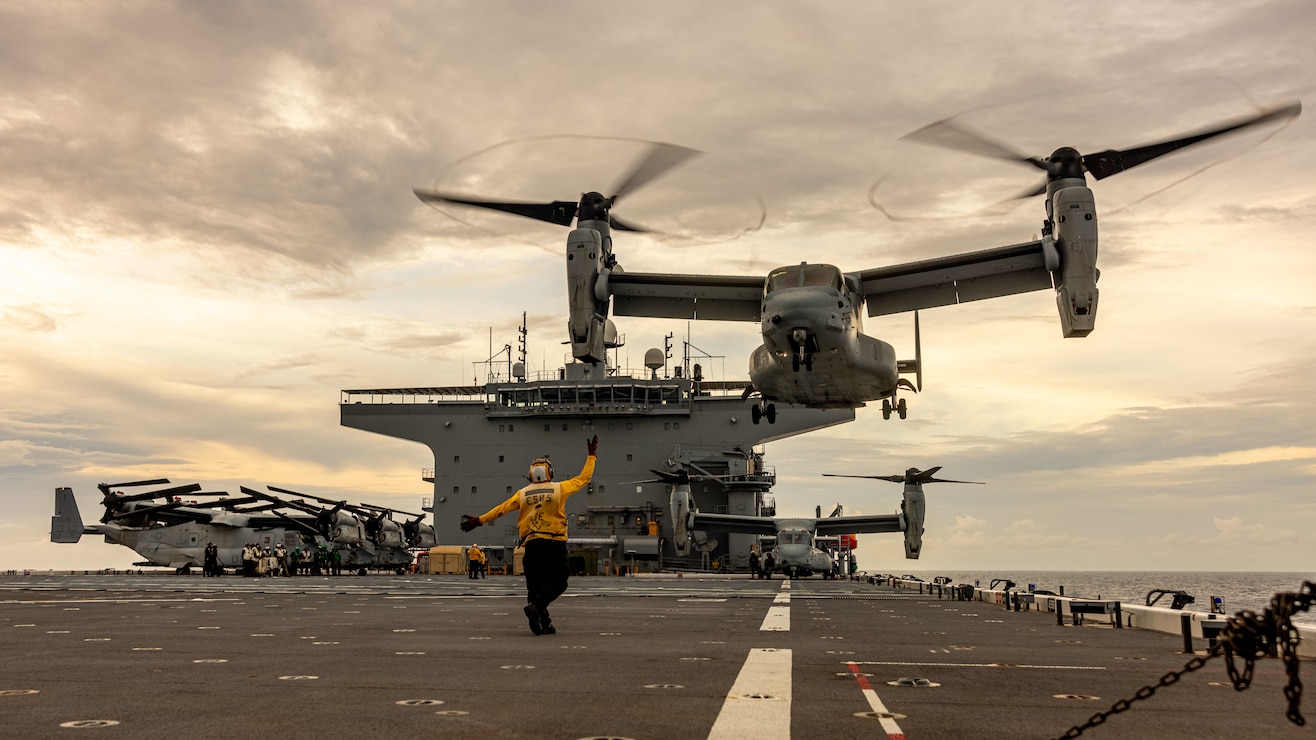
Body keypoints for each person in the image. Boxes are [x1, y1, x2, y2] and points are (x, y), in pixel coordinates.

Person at [461, 435, 597, 635]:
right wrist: (591, 456)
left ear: (531, 474)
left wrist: (479, 520)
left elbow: (502, 509)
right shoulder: (560, 488)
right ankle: (538, 607)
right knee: (559, 581)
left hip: (532, 544)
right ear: (550, 472)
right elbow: (583, 479)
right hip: (553, 542)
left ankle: (543, 623)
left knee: (534, 586)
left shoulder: (523, 493)